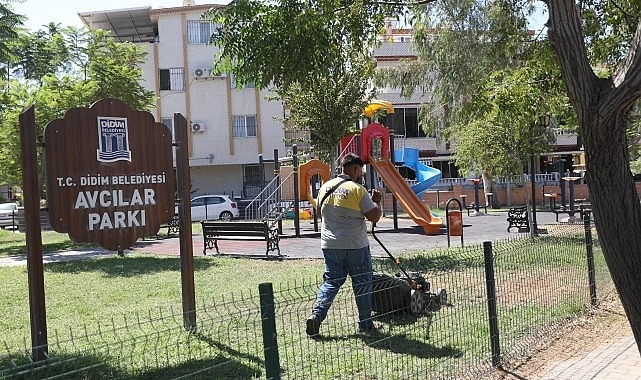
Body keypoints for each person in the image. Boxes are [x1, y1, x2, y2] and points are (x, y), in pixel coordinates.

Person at [306, 153, 382, 337]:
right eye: (360, 171)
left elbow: (319, 215)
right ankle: (365, 324)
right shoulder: (357, 189)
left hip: (330, 245)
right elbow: (374, 216)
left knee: (331, 282)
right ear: (355, 169)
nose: (360, 174)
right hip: (356, 245)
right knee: (363, 282)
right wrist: (377, 202)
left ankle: (317, 315)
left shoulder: (325, 187)